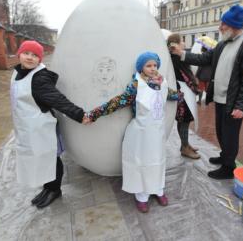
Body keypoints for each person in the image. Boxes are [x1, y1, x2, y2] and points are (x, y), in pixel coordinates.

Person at [170, 4, 243, 180]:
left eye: (223, 24)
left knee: (230, 135)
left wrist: (242, 106)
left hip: (233, 101)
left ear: (233, 25)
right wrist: (181, 54)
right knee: (221, 131)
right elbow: (204, 59)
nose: (220, 27)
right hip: (220, 98)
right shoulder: (223, 44)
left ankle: (228, 167)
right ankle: (225, 156)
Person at [87, 52, 182, 213]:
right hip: (141, 133)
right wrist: (94, 113)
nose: (153, 69)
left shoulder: (162, 82)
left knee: (158, 161)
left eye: (155, 65)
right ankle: (142, 196)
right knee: (142, 163)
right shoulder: (136, 85)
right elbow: (118, 101)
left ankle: (158, 189)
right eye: (148, 65)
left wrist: (181, 95)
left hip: (157, 132)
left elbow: (171, 94)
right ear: (141, 68)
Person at [10, 40, 90, 209]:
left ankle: (54, 189)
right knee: (39, 159)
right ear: (19, 54)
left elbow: (57, 99)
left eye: (35, 55)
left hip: (41, 128)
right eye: (26, 53)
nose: (30, 58)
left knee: (50, 158)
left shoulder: (39, 78)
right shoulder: (17, 73)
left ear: (40, 59)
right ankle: (47, 188)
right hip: (27, 128)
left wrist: (79, 114)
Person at [167, 33, 201, 160]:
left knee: (184, 121)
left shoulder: (176, 56)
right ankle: (185, 147)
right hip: (183, 94)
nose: (184, 43)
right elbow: (185, 75)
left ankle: (185, 144)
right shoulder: (176, 57)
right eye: (182, 41)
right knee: (184, 120)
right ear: (176, 44)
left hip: (183, 92)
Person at [194, 36, 218, 104]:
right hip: (209, 76)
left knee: (200, 89)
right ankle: (209, 101)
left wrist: (196, 75)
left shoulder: (203, 57)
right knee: (208, 90)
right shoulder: (212, 57)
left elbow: (200, 67)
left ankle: (199, 100)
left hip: (202, 76)